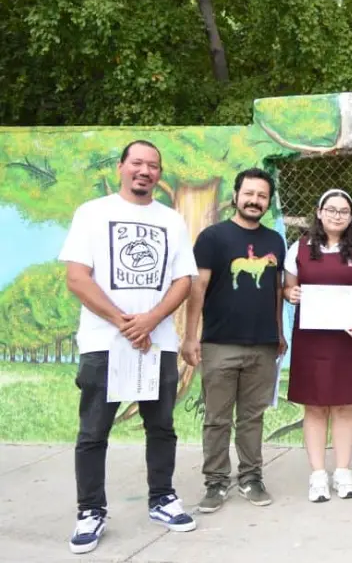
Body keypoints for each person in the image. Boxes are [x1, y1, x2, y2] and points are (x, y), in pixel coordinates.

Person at [59, 140, 199, 554]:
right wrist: (124, 322)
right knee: (93, 432)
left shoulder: (171, 220)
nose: (145, 170)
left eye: (153, 165)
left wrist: (152, 320)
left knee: (161, 427)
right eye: (137, 163)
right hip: (105, 344)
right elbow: (77, 278)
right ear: (121, 167)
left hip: (157, 345)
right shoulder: (92, 213)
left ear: (159, 174)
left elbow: (183, 280)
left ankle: (162, 498)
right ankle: (90, 511)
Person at [183, 168, 287, 513]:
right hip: (219, 344)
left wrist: (280, 332)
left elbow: (275, 290)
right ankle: (215, 482)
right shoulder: (213, 237)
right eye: (250, 194)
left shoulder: (275, 241)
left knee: (252, 417)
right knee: (217, 418)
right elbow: (197, 288)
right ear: (236, 195)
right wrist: (190, 337)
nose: (255, 201)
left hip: (263, 345)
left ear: (268, 202)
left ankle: (251, 477)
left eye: (262, 196)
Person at [282, 189, 352, 503]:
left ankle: (342, 471)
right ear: (319, 212)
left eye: (344, 211)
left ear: (351, 217)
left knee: (344, 405)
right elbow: (288, 288)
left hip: (349, 340)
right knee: (314, 406)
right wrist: (290, 294)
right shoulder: (298, 249)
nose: (337, 215)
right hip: (312, 339)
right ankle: (317, 475)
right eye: (331, 209)